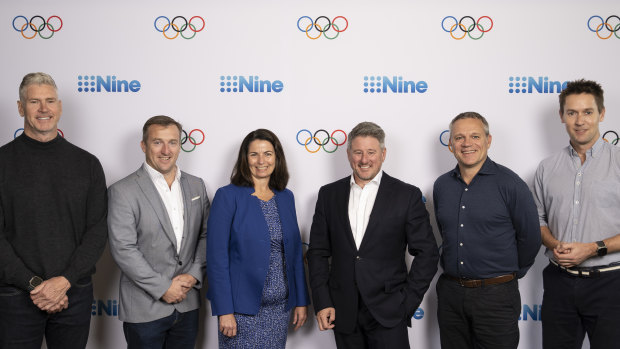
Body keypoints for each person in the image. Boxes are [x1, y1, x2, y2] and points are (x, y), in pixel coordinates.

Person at [307, 121, 439, 349]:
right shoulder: (329, 194)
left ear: (383, 154)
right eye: (358, 152)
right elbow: (318, 252)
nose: (364, 159)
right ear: (349, 154)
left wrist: (406, 303)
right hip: (343, 311)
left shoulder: (406, 195)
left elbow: (427, 253)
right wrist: (323, 301)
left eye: (371, 152)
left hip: (389, 312)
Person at [0, 72, 108, 348]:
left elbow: (96, 230)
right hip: (15, 296)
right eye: (34, 101)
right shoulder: (2, 162)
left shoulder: (87, 164)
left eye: (50, 101)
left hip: (73, 292)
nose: (44, 109)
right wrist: (35, 284)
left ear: (59, 106)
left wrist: (64, 281)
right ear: (20, 107)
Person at [433, 112, 541, 349]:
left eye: (475, 136)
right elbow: (445, 232)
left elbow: (530, 238)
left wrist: (506, 275)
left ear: (488, 140)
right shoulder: (441, 185)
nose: (467, 143)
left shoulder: (510, 184)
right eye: (459, 137)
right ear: (450, 144)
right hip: (451, 294)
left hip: (496, 295)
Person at [107, 115, 210, 348]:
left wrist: (193, 275)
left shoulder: (197, 185)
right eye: (157, 142)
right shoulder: (122, 191)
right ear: (144, 145)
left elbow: (206, 236)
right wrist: (163, 288)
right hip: (144, 310)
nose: (166, 150)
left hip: (188, 303)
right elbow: (124, 249)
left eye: (172, 142)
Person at [533, 79, 620, 348]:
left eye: (587, 112)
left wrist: (593, 248)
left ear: (602, 114)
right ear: (562, 116)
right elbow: (538, 222)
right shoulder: (547, 168)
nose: (580, 120)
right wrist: (555, 244)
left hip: (611, 285)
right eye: (572, 113)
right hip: (560, 283)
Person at [207, 129, 310, 348]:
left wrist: (301, 300)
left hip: (279, 309)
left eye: (268, 154)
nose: (261, 161)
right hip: (240, 311)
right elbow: (217, 259)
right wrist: (224, 310)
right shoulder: (228, 196)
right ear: (245, 159)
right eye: (254, 154)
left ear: (277, 158)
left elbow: (293, 256)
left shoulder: (286, 197)